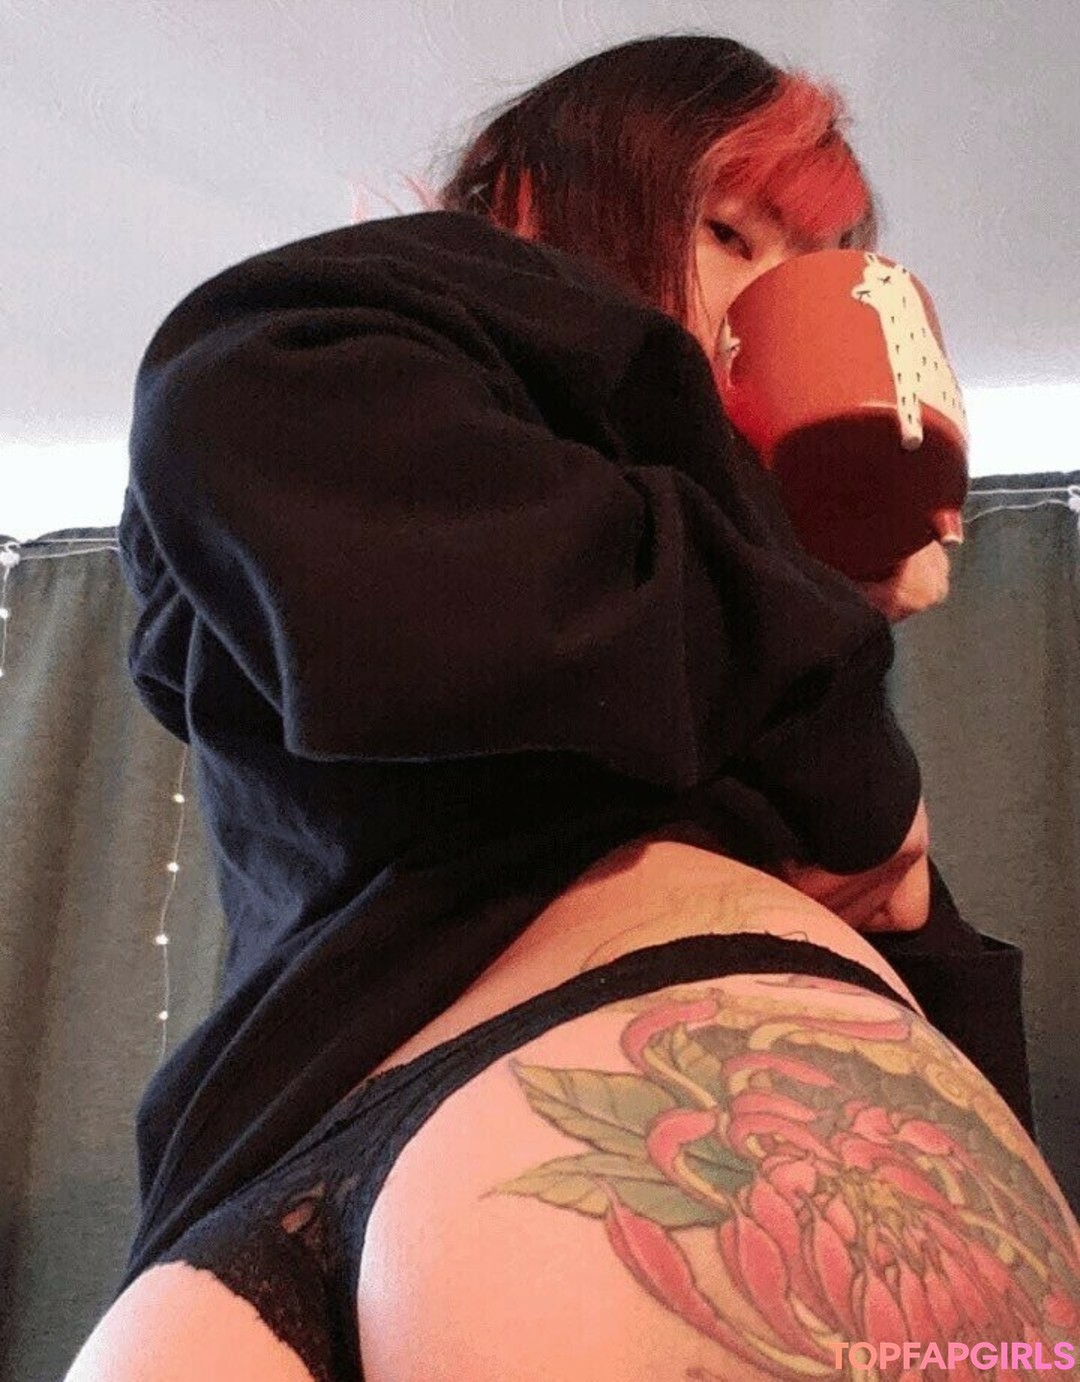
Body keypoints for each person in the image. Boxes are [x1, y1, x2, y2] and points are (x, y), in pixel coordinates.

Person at [67, 34, 1075, 1382]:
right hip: (420, 1123)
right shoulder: (353, 334)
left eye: (814, 260)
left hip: (328, 1141)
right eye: (728, 232)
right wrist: (835, 675)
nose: (764, 295)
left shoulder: (719, 606)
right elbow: (440, 607)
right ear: (526, 198)